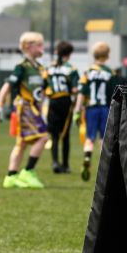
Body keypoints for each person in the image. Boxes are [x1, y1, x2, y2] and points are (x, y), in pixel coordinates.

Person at [0, 31, 50, 189]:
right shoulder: (22, 67)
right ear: (28, 47)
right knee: (43, 138)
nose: (42, 48)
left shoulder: (39, 68)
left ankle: (11, 176)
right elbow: (8, 86)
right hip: (24, 106)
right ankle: (28, 171)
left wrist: (42, 109)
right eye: (39, 45)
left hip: (34, 107)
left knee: (22, 143)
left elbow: (43, 91)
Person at [74, 41, 118, 182]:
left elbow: (81, 92)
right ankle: (103, 169)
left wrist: (77, 109)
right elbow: (114, 93)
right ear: (107, 56)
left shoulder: (88, 72)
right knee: (103, 139)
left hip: (91, 108)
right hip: (105, 108)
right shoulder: (110, 73)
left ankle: (87, 156)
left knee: (89, 137)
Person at [45, 40, 80, 175]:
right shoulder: (71, 69)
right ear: (69, 54)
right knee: (65, 134)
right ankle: (65, 165)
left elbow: (45, 84)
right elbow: (76, 88)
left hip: (53, 101)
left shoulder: (50, 68)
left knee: (54, 135)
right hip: (65, 102)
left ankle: (55, 162)